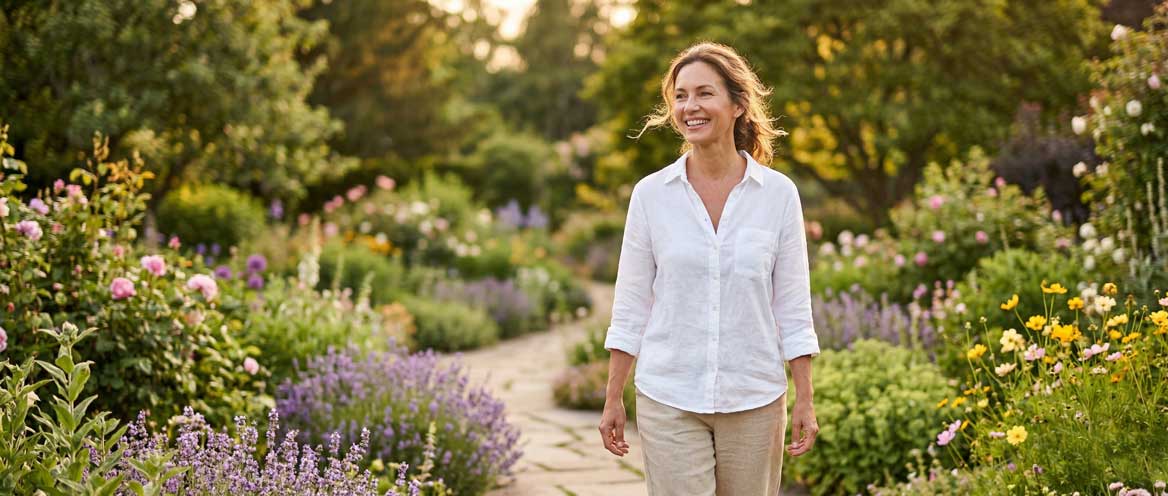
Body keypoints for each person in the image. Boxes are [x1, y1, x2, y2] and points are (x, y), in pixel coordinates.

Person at [597, 41, 821, 495]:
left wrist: (805, 399)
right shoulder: (651, 195)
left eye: (703, 93)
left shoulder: (778, 196)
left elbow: (794, 307)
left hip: (755, 398)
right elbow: (631, 304)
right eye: (680, 96)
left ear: (738, 105)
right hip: (669, 393)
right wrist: (613, 395)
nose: (689, 106)